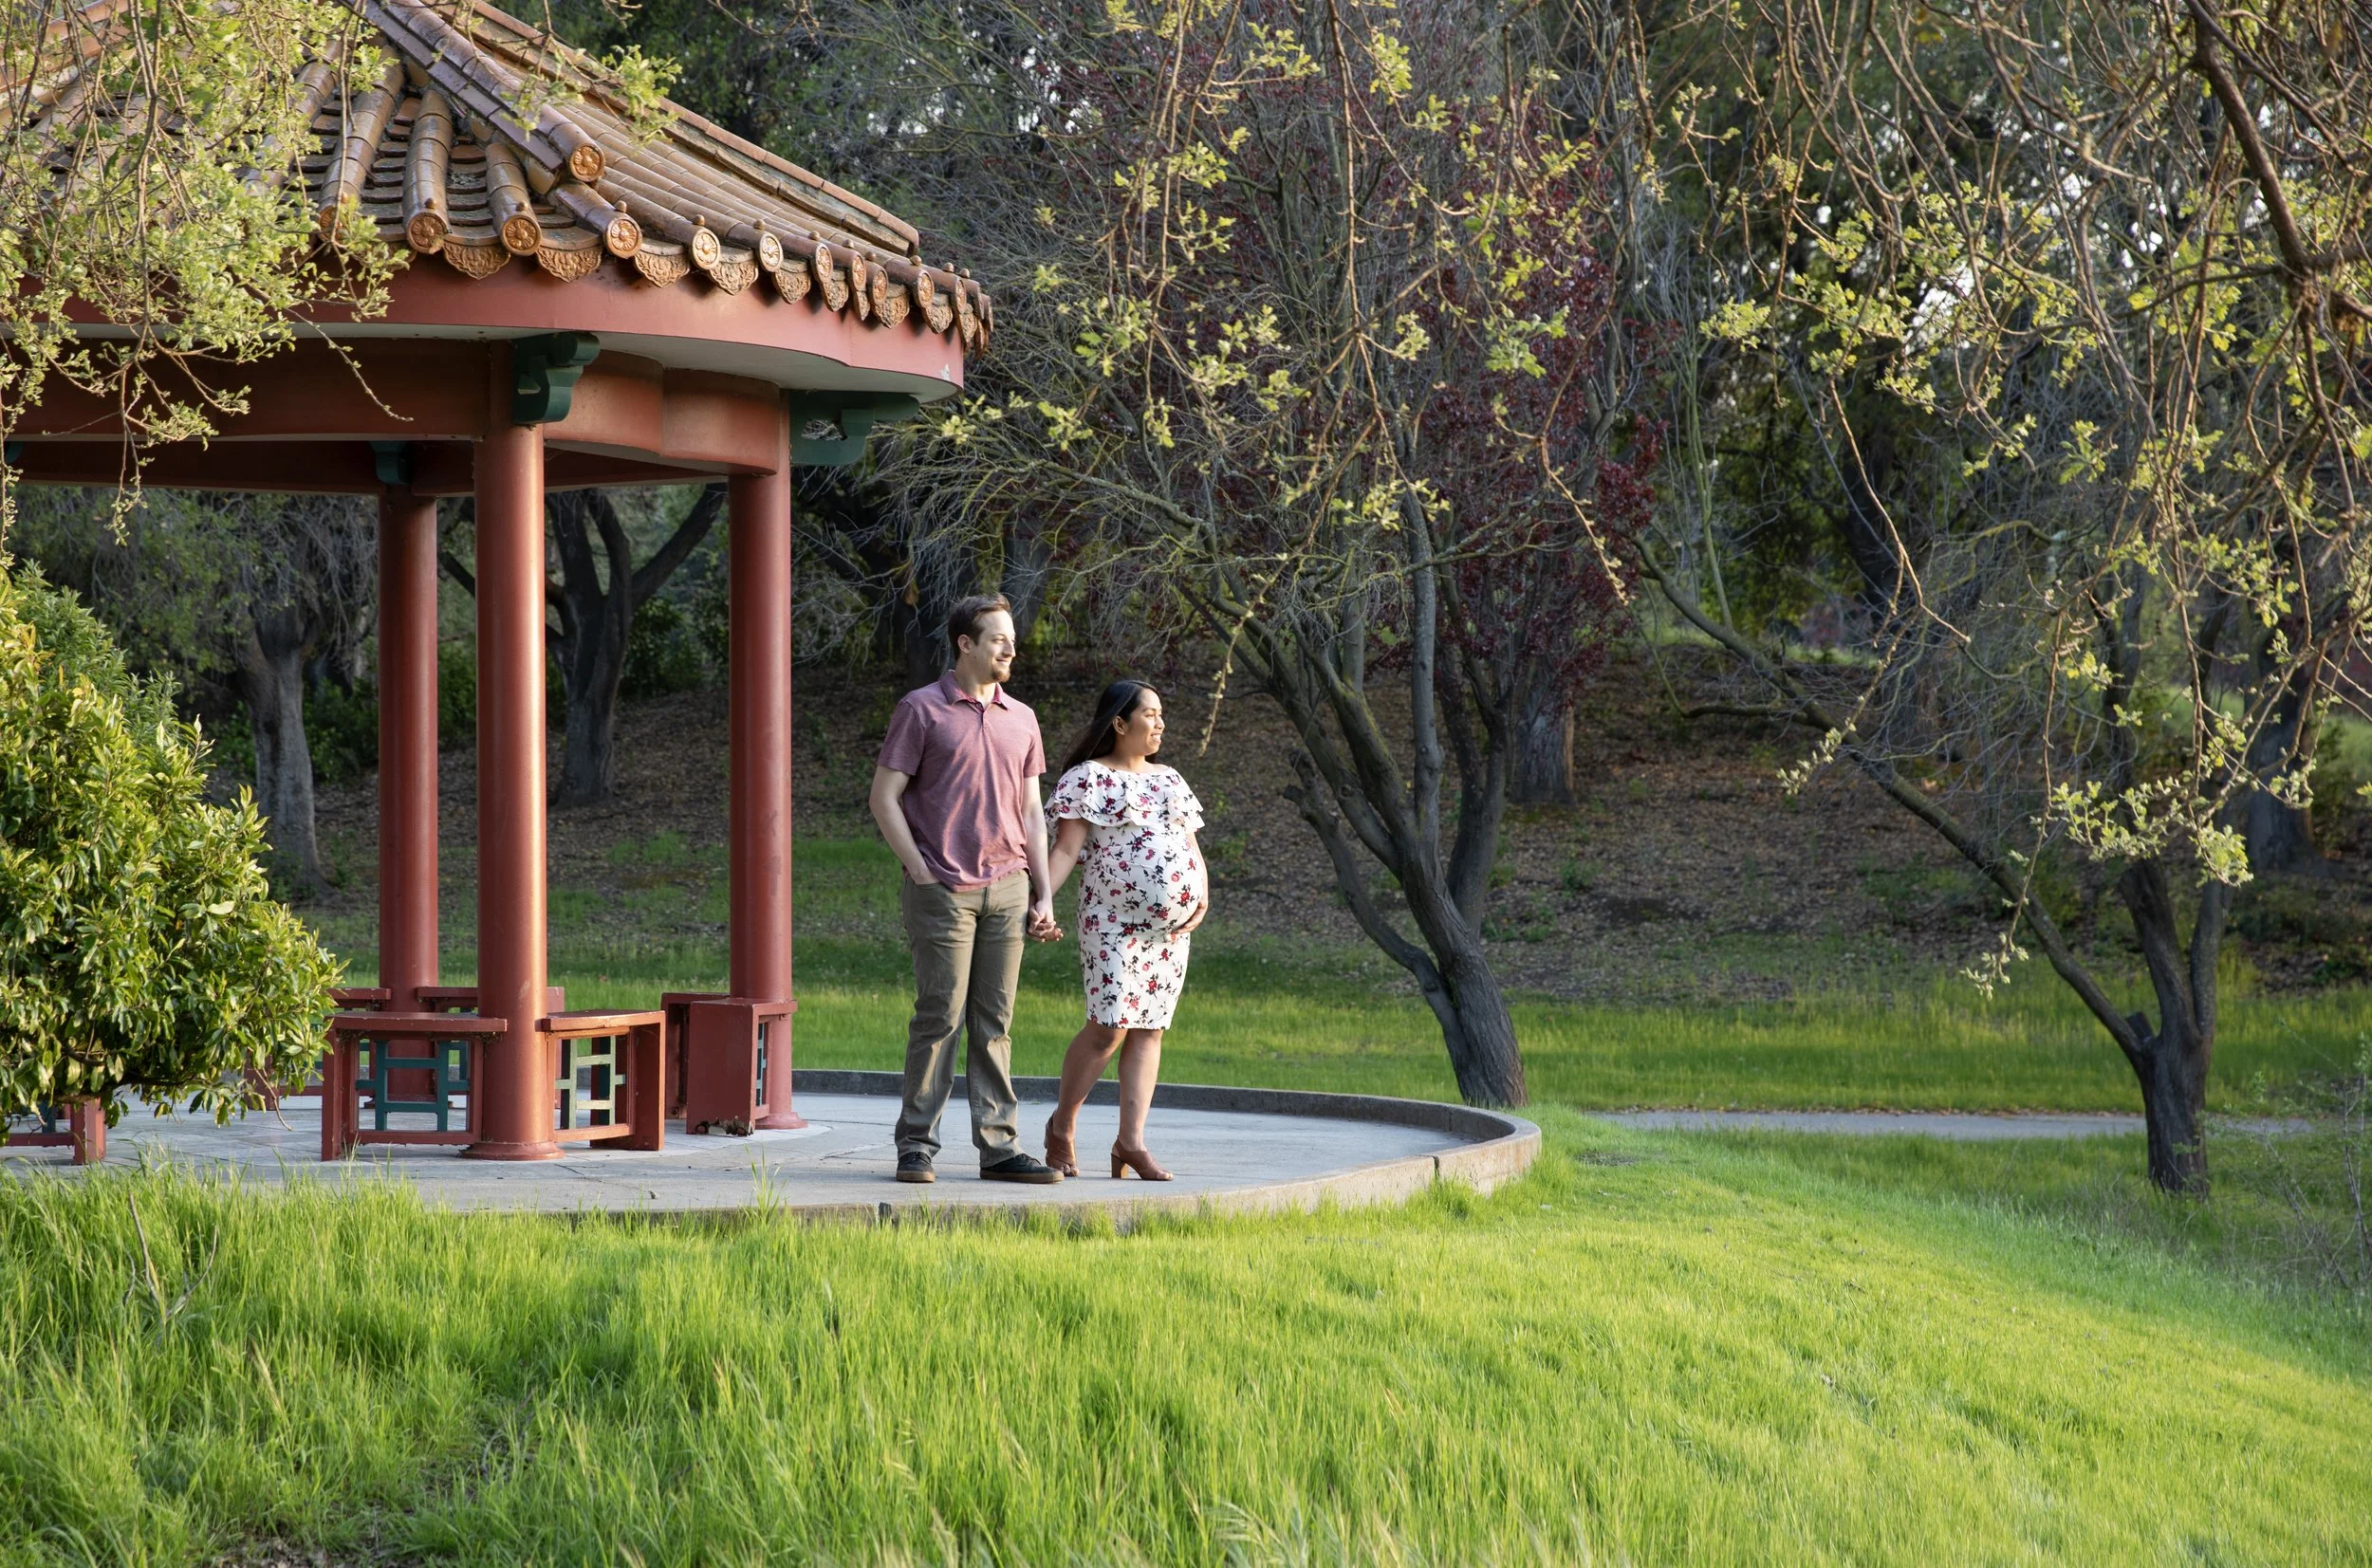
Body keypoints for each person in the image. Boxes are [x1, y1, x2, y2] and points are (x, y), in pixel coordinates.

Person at [868, 595, 1066, 1185]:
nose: (1011, 648)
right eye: (999, 639)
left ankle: (1000, 1148)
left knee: (995, 1020)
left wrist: (1042, 895)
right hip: (943, 889)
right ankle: (916, 1147)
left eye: (1011, 638)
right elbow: (884, 797)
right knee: (939, 1016)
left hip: (1009, 887)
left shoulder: (1021, 718)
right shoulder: (921, 710)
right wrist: (921, 871)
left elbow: (1032, 812)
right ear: (966, 644)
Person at [1040, 680, 1209, 1179]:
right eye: (1151, 714)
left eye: (1161, 714)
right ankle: (1062, 1126)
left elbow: (1190, 846)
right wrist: (1041, 903)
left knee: (1150, 1029)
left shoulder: (1170, 780)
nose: (1160, 723)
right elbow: (1067, 851)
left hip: (1170, 933)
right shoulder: (1088, 778)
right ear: (1119, 722)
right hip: (1111, 924)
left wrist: (1200, 893)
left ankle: (1130, 1143)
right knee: (1109, 1027)